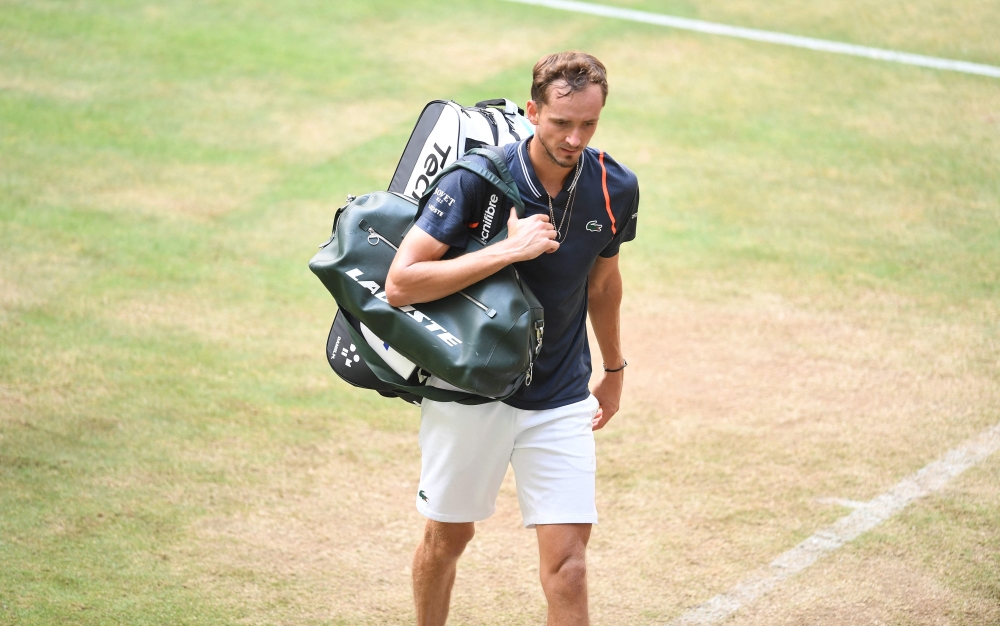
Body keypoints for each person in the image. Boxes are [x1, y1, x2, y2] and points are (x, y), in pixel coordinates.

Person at [385, 50, 639, 626]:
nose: (575, 138)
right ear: (532, 112)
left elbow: (604, 285)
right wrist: (509, 249)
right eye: (561, 123)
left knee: (569, 565)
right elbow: (401, 283)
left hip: (561, 395)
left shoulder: (613, 187)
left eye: (589, 124)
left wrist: (616, 371)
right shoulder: (475, 181)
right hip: (472, 393)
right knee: (447, 541)